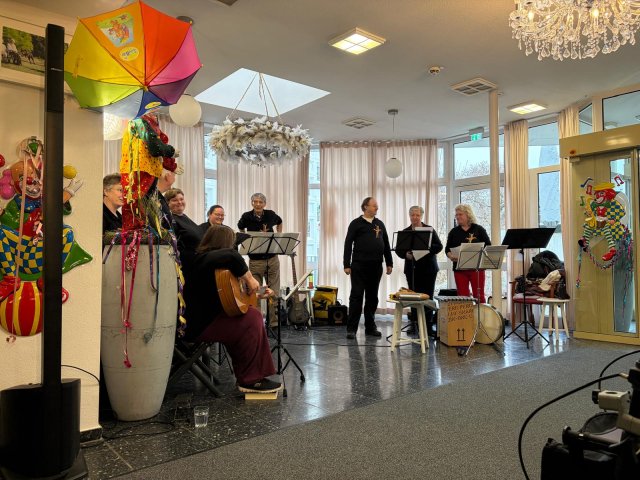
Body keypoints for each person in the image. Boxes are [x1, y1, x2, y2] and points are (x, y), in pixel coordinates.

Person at [183, 224, 282, 393]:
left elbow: (229, 298)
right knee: (252, 319)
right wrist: (250, 278)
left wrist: (256, 294)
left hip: (210, 319)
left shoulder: (217, 266)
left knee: (250, 315)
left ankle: (248, 376)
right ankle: (251, 380)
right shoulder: (199, 260)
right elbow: (231, 255)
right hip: (198, 326)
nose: (234, 247)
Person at [343, 197, 393, 340]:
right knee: (356, 296)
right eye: (374, 205)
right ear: (365, 207)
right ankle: (351, 329)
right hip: (359, 265)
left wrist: (389, 263)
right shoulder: (356, 223)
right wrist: (346, 264)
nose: (377, 208)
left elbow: (386, 244)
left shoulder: (380, 224)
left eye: (377, 206)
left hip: (376, 265)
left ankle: (370, 327)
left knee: (372, 297)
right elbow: (348, 243)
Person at [394, 206, 443, 336]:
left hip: (428, 268)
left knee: (428, 297)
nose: (415, 217)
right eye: (412, 215)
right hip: (412, 269)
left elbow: (439, 246)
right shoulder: (405, 232)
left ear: (421, 216)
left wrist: (426, 250)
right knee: (413, 297)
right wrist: (406, 255)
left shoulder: (429, 230)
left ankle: (428, 325)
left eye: (417, 215)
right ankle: (415, 324)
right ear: (409, 216)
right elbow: (399, 250)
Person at [237, 193, 282, 327]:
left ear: (264, 204)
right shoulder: (246, 216)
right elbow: (240, 226)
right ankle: (257, 323)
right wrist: (245, 238)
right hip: (256, 260)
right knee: (256, 291)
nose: (257, 204)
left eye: (260, 202)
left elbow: (280, 221)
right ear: (252, 203)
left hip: (272, 258)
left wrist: (278, 236)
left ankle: (274, 322)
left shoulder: (270, 214)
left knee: (273, 290)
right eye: (255, 202)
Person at [445, 204, 491, 303]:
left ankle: (481, 314)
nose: (457, 217)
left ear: (468, 214)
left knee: (479, 296)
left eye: (460, 214)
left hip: (477, 269)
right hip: (459, 269)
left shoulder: (479, 229)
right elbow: (447, 249)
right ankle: (466, 314)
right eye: (456, 215)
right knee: (462, 297)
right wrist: (451, 256)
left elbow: (488, 246)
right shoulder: (453, 232)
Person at [164, 188, 202, 275]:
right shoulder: (169, 220)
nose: (179, 202)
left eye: (181, 199)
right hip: (185, 265)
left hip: (197, 261)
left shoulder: (184, 217)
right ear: (167, 203)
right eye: (174, 200)